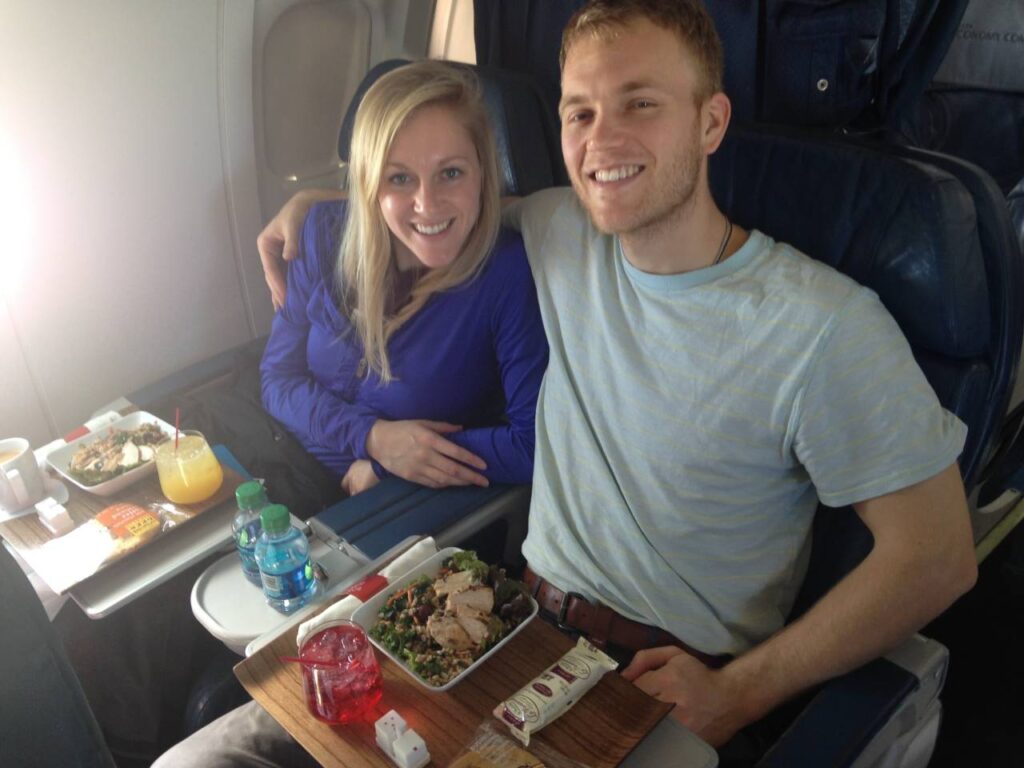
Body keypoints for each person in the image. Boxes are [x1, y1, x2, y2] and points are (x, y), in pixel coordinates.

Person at [158, 1, 976, 765]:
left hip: (656, 674)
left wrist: (738, 692)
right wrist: (316, 203)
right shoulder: (554, 229)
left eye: (640, 104)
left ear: (710, 121)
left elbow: (936, 557)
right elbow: (435, 204)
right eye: (580, 111)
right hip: (494, 616)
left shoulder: (823, 327)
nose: (602, 139)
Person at [259, 60, 547, 498]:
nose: (427, 205)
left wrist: (392, 465)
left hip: (387, 506)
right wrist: (373, 439)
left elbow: (531, 446)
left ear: (483, 173)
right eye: (399, 178)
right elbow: (276, 379)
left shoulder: (507, 274)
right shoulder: (320, 232)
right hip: (279, 464)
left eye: (451, 172)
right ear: (370, 183)